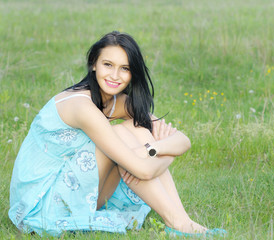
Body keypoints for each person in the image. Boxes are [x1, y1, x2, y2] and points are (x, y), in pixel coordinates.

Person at [8, 31, 226, 237]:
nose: (115, 75)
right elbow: (144, 170)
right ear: (94, 64)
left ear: (133, 73)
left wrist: (154, 149)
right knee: (121, 133)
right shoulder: (81, 106)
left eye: (124, 68)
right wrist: (160, 157)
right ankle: (179, 224)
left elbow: (183, 140)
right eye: (108, 65)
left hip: (80, 193)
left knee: (137, 127)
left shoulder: (115, 102)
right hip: (43, 207)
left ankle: (181, 222)